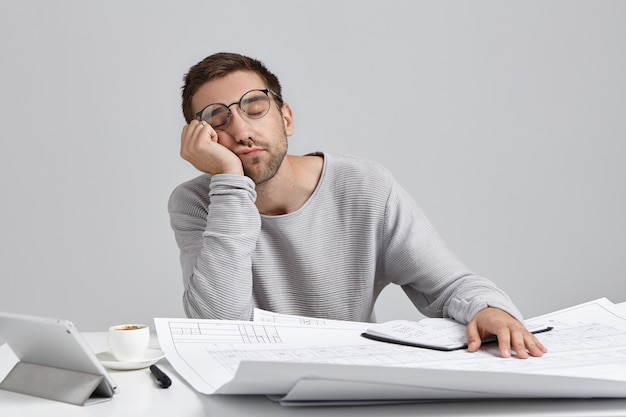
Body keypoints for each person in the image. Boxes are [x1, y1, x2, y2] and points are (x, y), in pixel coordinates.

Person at [168, 52, 547, 359]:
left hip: (354, 381)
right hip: (252, 390)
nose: (241, 131)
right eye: (217, 119)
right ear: (201, 140)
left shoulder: (363, 186)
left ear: (286, 118)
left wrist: (488, 309)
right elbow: (217, 327)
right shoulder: (197, 203)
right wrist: (230, 181)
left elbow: (450, 285)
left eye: (254, 107)